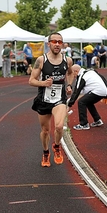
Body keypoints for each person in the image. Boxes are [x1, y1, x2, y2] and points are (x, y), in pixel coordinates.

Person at [29, 32, 73, 167]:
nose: (57, 44)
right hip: (43, 100)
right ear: (49, 44)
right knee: (45, 131)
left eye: (60, 42)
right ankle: (46, 152)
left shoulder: (67, 60)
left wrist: (70, 85)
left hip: (59, 99)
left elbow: (70, 73)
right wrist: (43, 83)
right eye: (54, 41)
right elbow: (31, 81)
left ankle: (57, 146)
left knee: (59, 126)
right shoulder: (41, 60)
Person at [68, 64, 107, 130]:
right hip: (103, 90)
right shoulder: (89, 71)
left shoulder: (82, 76)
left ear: (76, 71)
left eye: (72, 73)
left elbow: (77, 91)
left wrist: (69, 105)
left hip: (98, 90)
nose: (73, 76)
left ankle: (84, 124)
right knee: (88, 102)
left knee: (81, 102)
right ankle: (97, 120)